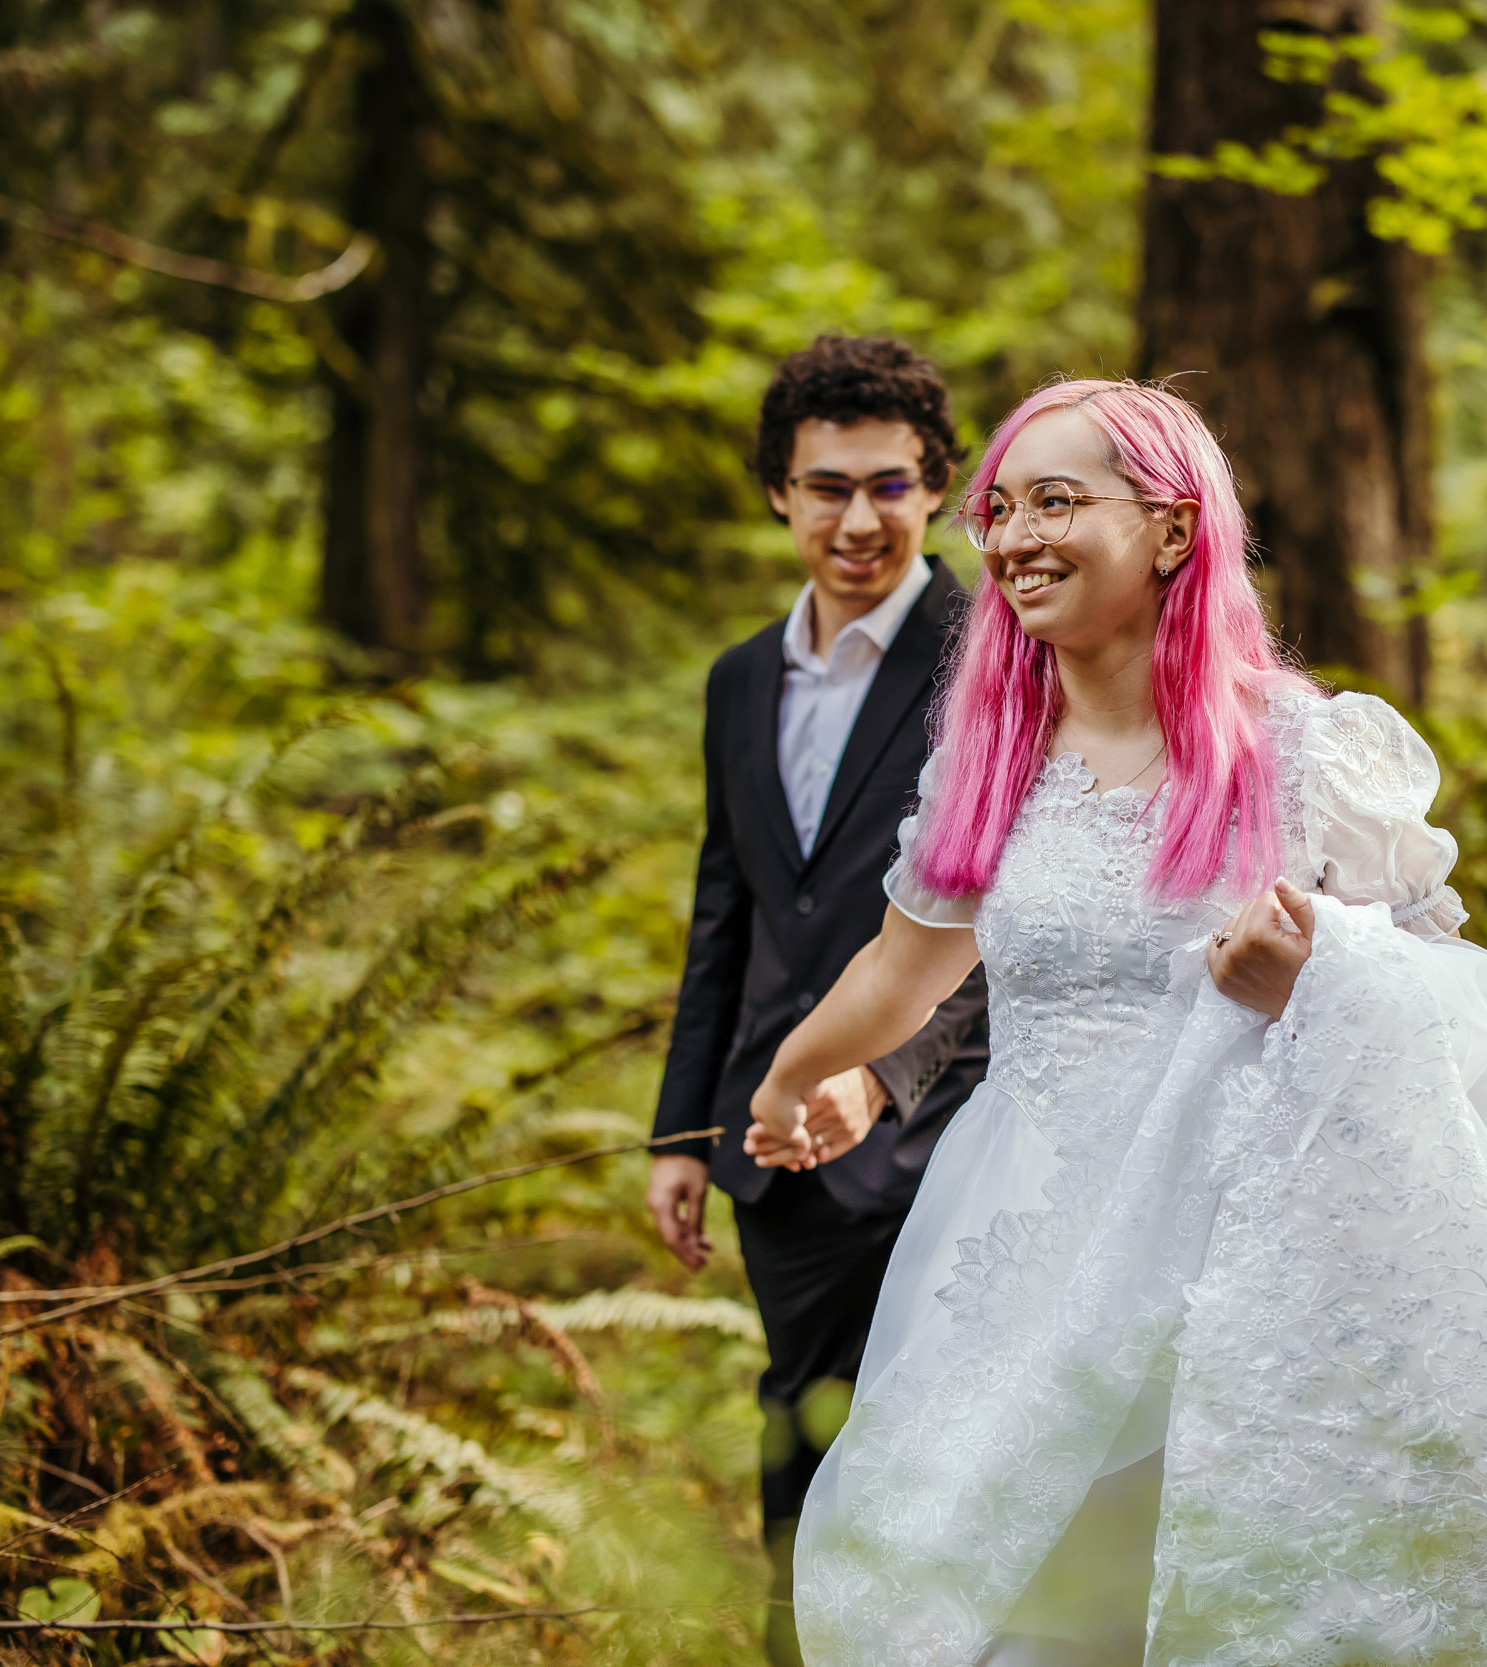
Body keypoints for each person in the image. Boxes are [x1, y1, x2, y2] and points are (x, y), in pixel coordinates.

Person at [748, 379, 1487, 1666]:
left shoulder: (1308, 754)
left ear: (1171, 529)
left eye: (1056, 500)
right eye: (997, 509)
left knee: (1198, 1589)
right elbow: (904, 970)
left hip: (1244, 1248)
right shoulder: (993, 760)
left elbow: (1457, 1017)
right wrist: (791, 1078)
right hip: (1023, 1236)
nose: (1011, 538)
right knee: (1000, 1600)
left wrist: (1320, 974)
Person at [645, 334, 990, 1667]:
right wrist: (686, 1128)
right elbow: (725, 907)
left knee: (939, 1438)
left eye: (893, 486)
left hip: (955, 1125)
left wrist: (884, 1072)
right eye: (827, 486)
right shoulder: (740, 678)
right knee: (801, 1419)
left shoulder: (996, 657)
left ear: (939, 487)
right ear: (778, 494)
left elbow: (1011, 918)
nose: (860, 519)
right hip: (779, 1146)